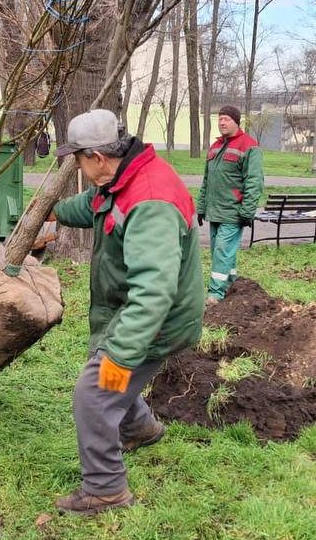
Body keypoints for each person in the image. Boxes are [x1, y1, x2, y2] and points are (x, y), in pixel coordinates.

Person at [49, 109, 204, 515]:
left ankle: (105, 489)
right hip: (133, 313)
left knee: (96, 393)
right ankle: (140, 429)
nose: (77, 167)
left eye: (78, 159)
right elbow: (94, 205)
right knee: (106, 374)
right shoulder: (123, 178)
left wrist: (119, 354)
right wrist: (53, 212)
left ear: (98, 157)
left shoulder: (150, 200)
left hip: (157, 323)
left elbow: (154, 295)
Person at [196, 105, 264, 305]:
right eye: (220, 119)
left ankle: (215, 294)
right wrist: (201, 207)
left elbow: (254, 182)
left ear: (236, 122)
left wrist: (247, 211)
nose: (222, 123)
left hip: (233, 212)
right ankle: (231, 285)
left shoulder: (249, 146)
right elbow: (207, 180)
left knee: (222, 252)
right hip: (214, 210)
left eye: (226, 119)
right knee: (222, 252)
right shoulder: (215, 146)